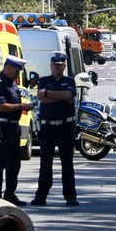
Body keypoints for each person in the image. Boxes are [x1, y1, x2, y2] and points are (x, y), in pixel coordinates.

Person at [30, 52, 79, 207]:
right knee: (45, 163)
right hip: (48, 127)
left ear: (64, 66)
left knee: (67, 163)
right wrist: (60, 97)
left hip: (66, 127)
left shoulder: (69, 81)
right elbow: (41, 98)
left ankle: (70, 196)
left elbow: (69, 95)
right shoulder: (44, 81)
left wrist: (49, 94)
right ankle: (41, 196)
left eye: (60, 65)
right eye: (54, 65)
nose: (57, 68)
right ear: (50, 66)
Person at [0, 55, 31, 205]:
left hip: (14, 126)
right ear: (8, 67)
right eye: (16, 70)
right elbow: (0, 106)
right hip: (2, 126)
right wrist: (21, 107)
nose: (17, 74)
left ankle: (10, 194)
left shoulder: (12, 83)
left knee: (14, 163)